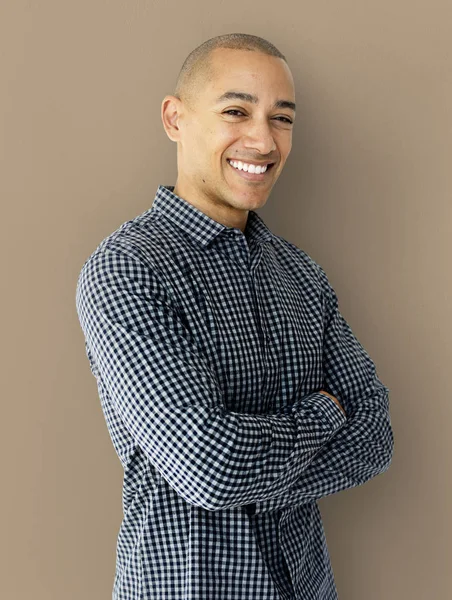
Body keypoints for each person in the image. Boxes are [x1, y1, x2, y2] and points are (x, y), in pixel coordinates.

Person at [75, 32, 394, 600]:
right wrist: (323, 415)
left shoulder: (302, 275)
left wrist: (259, 486)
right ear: (175, 118)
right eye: (235, 111)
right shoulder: (128, 269)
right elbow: (209, 464)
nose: (262, 139)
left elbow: (374, 435)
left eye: (282, 118)